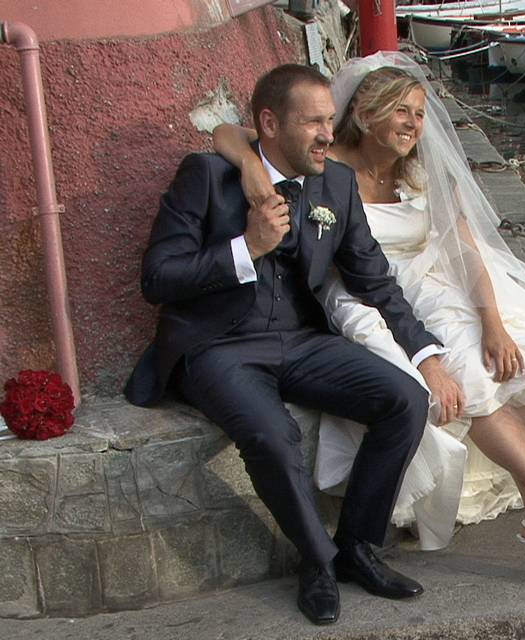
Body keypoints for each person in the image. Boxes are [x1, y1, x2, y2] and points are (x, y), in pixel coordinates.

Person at [213, 52, 525, 577]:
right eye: (400, 111)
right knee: (469, 374)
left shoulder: (422, 172)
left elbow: (468, 252)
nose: (413, 125)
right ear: (363, 111)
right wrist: (249, 165)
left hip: (435, 286)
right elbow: (230, 133)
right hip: (370, 294)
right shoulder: (324, 161)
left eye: (419, 113)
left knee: (514, 367)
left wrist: (492, 321)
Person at [125, 63, 466, 626]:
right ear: (269, 124)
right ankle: (317, 561)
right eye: (313, 122)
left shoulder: (334, 184)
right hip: (218, 346)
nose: (328, 135)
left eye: (331, 120)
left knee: (404, 400)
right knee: (271, 433)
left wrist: (427, 358)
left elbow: (375, 277)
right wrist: (246, 248)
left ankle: (358, 546)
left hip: (302, 339)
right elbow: (157, 278)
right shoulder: (207, 176)